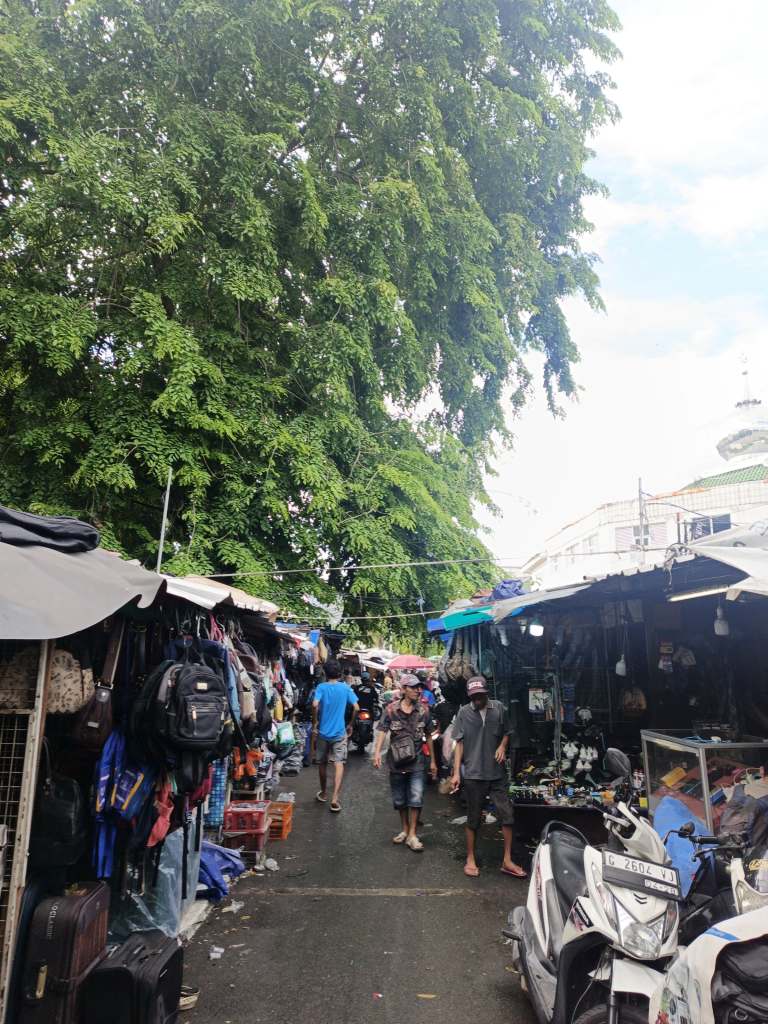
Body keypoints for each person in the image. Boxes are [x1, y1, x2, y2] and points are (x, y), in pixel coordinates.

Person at [449, 675, 525, 879]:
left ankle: (507, 860)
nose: (477, 700)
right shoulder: (464, 712)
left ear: (486, 693)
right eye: (473, 697)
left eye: (480, 696)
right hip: (474, 774)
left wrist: (502, 745)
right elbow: (459, 744)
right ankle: (471, 858)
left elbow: (508, 731)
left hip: (497, 774)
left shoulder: (499, 708)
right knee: (474, 819)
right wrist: (456, 773)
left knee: (507, 815)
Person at [372, 674, 437, 852]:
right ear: (404, 689)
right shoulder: (391, 710)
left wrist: (433, 762)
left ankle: (413, 834)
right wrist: (376, 753)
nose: (418, 690)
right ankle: (405, 829)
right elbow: (382, 731)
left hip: (417, 761)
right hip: (396, 761)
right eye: (414, 687)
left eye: (419, 687)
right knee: (400, 799)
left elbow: (430, 736)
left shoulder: (424, 710)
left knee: (416, 797)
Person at [311, 659, 359, 813]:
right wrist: (350, 724)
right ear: (339, 673)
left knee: (323, 763)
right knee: (339, 763)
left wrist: (315, 722)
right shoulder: (345, 688)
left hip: (323, 732)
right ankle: (335, 798)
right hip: (339, 732)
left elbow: (314, 705)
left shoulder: (321, 687)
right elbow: (356, 707)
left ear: (325, 672)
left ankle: (324, 793)